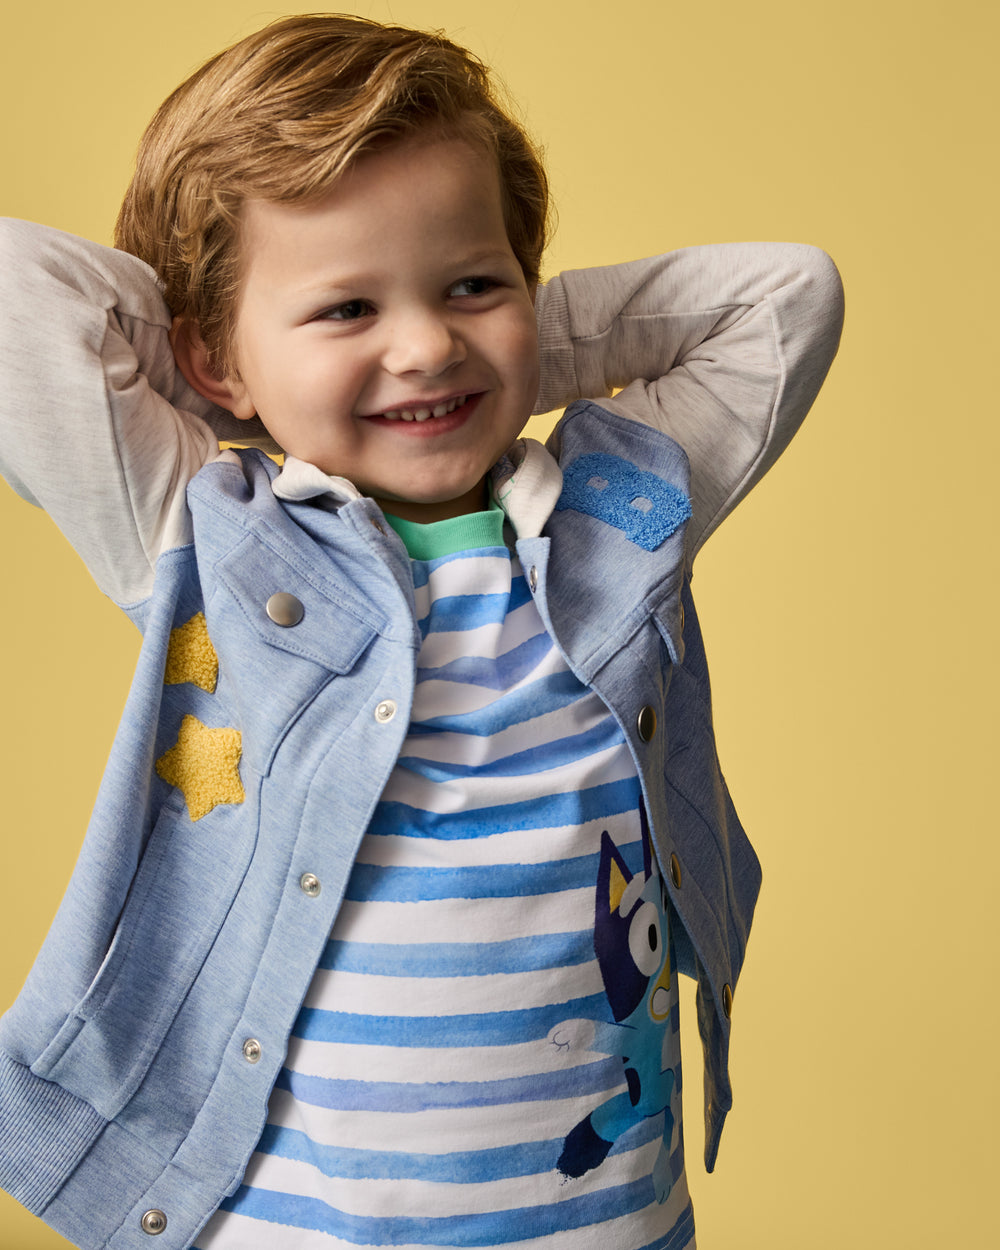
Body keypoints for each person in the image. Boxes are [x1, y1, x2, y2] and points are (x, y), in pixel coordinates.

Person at [0, 13, 843, 1250]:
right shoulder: (206, 533)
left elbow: (787, 295)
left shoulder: (618, 516)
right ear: (211, 357)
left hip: (609, 1219)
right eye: (348, 305)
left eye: (471, 285)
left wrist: (517, 338)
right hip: (295, 1225)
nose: (426, 344)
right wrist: (237, 374)